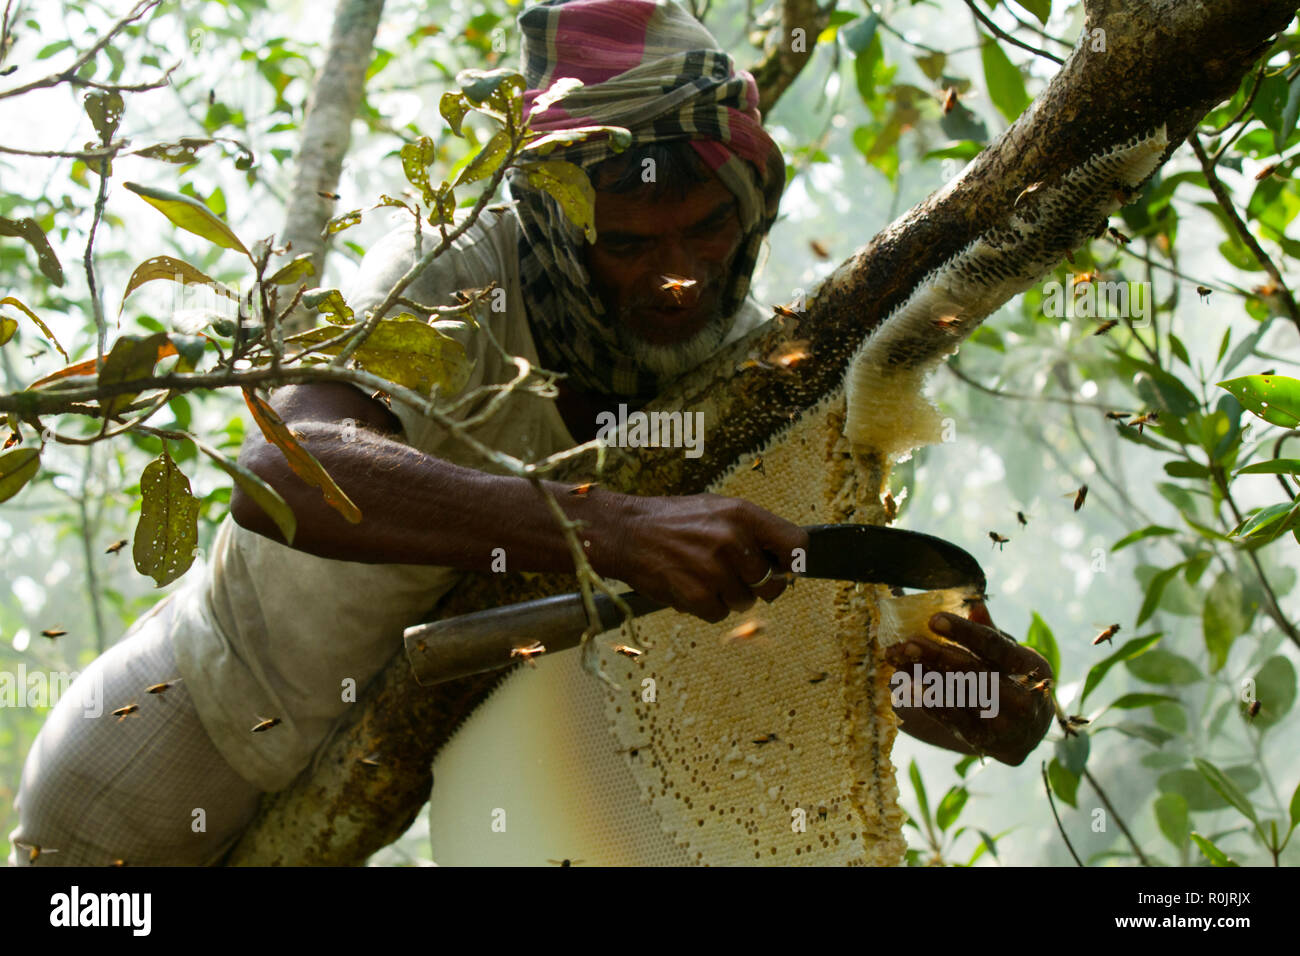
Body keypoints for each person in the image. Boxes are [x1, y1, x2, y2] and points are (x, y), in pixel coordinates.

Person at [8, 0, 1051, 867]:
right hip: (147, 762)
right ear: (558, 224)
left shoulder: (733, 364)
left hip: (342, 818)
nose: (676, 273)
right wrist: (613, 523)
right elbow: (281, 466)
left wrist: (966, 694)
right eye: (631, 243)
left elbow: (797, 607)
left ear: (752, 204)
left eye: (707, 229)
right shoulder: (459, 274)